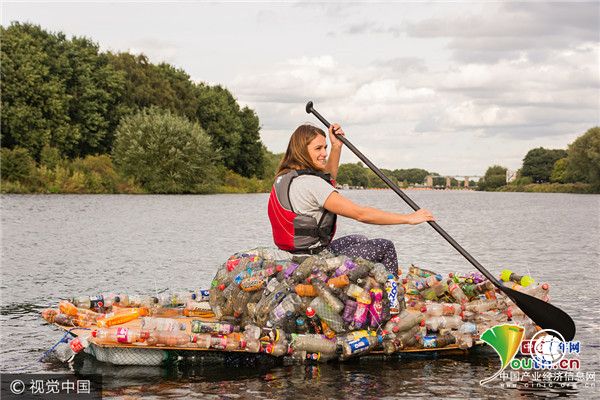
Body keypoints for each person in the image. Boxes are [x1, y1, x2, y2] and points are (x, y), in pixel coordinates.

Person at [267, 123, 435, 276]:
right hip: (314, 263)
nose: (324, 153)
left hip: (295, 257)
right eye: (318, 148)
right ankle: (392, 301)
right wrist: (408, 219)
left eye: (325, 147)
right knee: (385, 246)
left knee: (358, 239)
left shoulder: (285, 178)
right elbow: (361, 214)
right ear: (302, 150)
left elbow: (326, 182)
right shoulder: (312, 184)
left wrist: (336, 147)